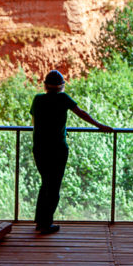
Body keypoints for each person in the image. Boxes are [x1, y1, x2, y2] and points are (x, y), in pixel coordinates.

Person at [30, 69, 113, 234]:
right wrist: (100, 126)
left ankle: (40, 221)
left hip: (40, 147)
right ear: (62, 86)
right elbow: (82, 113)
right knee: (53, 186)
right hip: (57, 148)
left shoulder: (38, 99)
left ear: (45, 85)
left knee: (45, 183)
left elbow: (34, 120)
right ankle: (45, 224)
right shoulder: (63, 98)